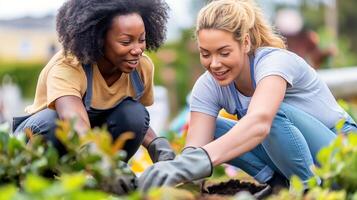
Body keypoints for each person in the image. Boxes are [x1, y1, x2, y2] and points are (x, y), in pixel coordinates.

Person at [138, 0, 357, 192]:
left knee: (270, 113)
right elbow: (195, 150)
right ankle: (278, 184)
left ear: (245, 43)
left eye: (224, 53)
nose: (214, 64)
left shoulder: (274, 62)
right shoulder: (208, 85)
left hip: (340, 151)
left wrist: (198, 160)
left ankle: (310, 190)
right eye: (206, 54)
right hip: (293, 159)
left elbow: (260, 122)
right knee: (213, 128)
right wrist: (178, 174)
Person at [12, 0, 175, 164]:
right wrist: (101, 164)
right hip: (38, 139)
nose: (137, 50)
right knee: (54, 123)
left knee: (134, 113)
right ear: (99, 38)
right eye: (126, 42)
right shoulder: (68, 65)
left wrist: (157, 145)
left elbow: (135, 121)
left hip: (89, 143)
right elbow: (74, 122)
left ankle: (112, 178)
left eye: (141, 40)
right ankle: (46, 181)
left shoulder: (141, 68)